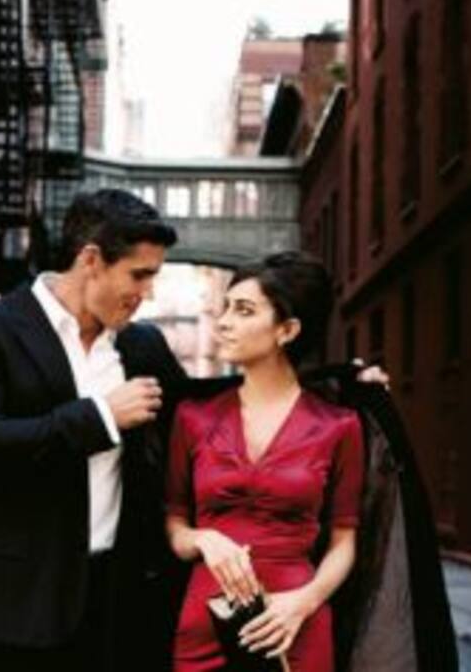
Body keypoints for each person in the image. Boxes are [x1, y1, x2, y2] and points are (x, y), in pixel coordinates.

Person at [0, 189, 388, 672]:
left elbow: (208, 401)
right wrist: (100, 418)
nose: (148, 292)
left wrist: (339, 383)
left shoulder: (141, 345)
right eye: (139, 275)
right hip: (22, 601)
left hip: (121, 599)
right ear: (91, 260)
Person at [164, 252, 365, 671]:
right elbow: (175, 527)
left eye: (244, 310)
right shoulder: (192, 417)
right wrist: (204, 539)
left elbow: (344, 543)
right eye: (224, 308)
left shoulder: (339, 426)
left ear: (287, 330)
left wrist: (303, 602)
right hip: (205, 624)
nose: (223, 322)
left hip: (293, 623)